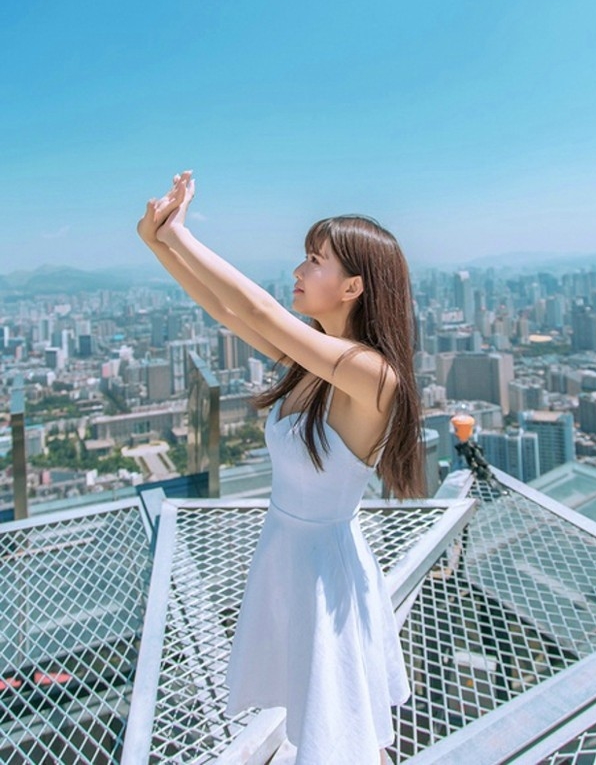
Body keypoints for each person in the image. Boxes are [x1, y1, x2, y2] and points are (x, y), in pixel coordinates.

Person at [137, 171, 425, 765]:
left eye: (314, 261)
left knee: (336, 729)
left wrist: (179, 234)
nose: (298, 272)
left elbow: (257, 309)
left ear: (352, 287)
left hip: (324, 571)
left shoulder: (372, 375)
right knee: (328, 723)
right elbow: (230, 312)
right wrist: (160, 241)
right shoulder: (313, 363)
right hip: (291, 555)